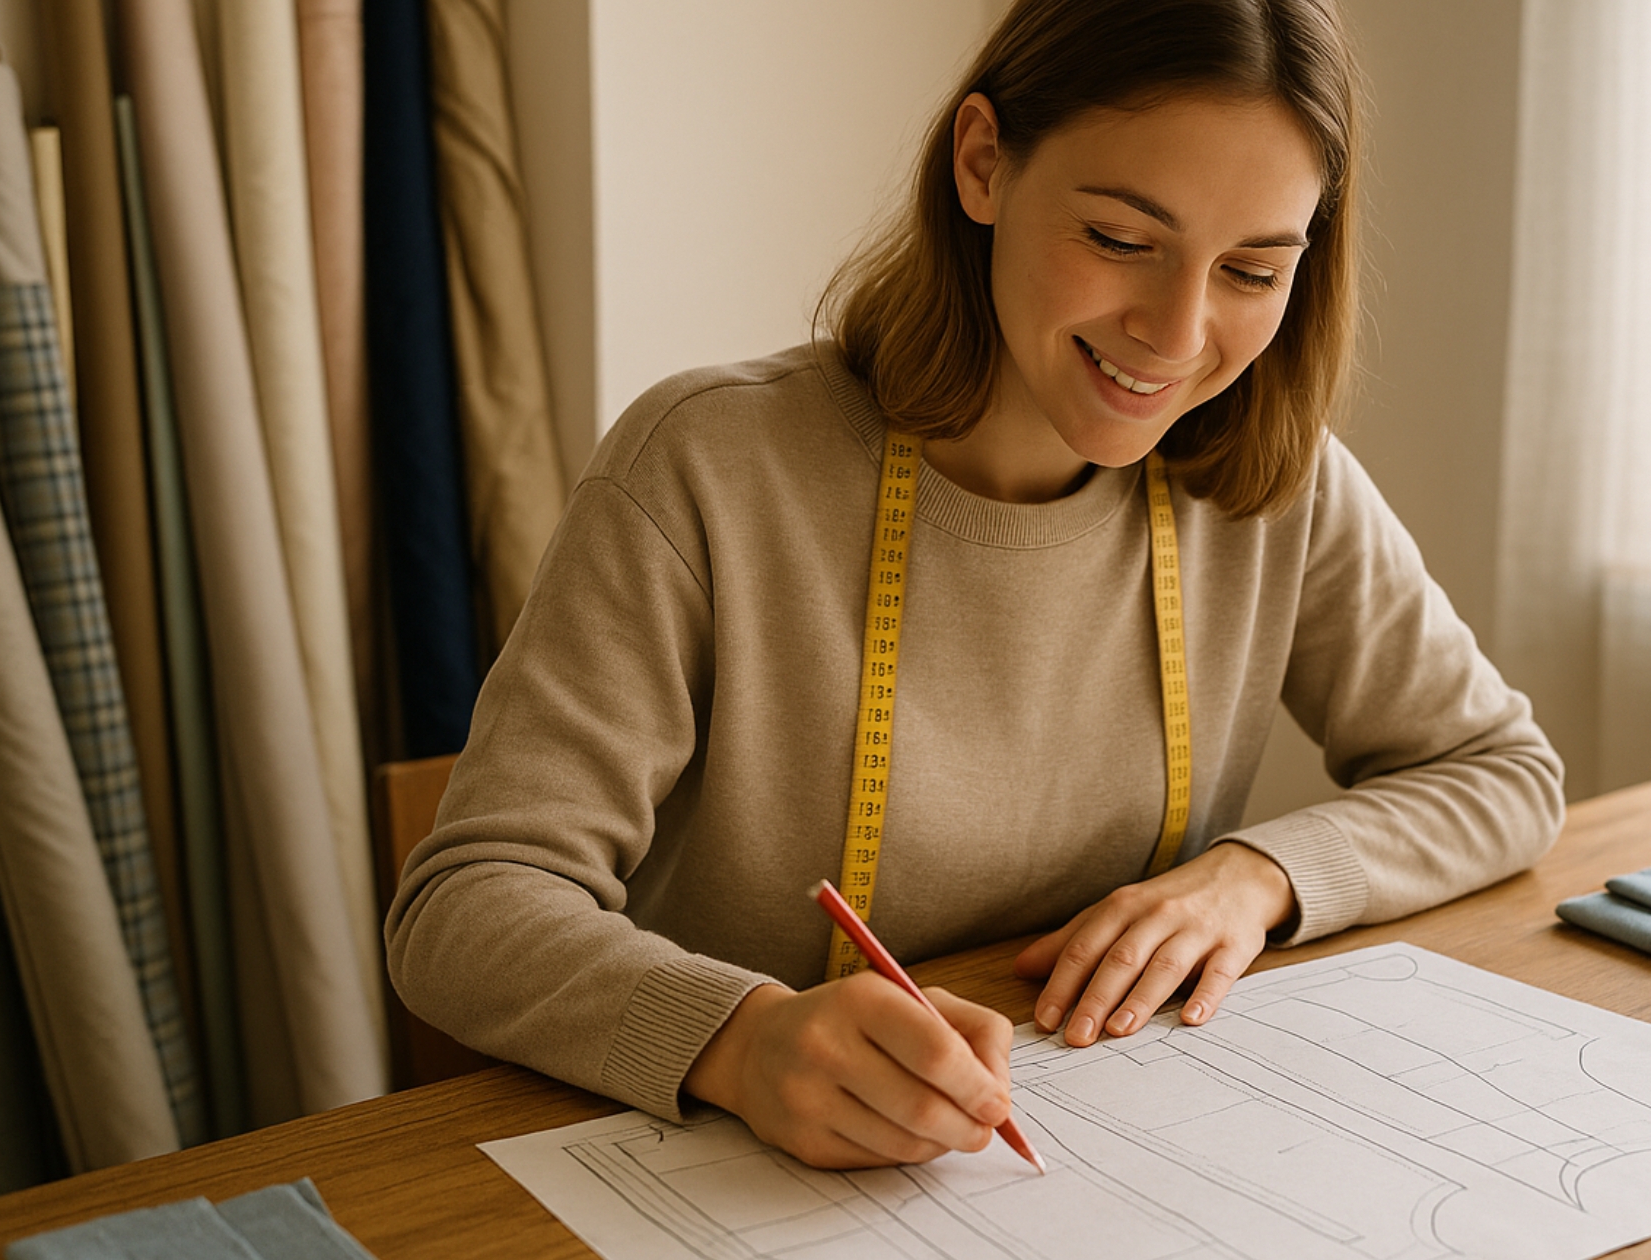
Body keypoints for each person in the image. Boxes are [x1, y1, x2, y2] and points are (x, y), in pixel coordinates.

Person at [385, 0, 1562, 1172]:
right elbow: (466, 904)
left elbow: (1502, 776)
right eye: (1117, 239)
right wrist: (741, 1042)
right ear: (983, 163)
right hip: (732, 1169)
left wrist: (1252, 880)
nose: (1176, 332)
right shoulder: (704, 466)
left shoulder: (1272, 486)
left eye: (1251, 269)